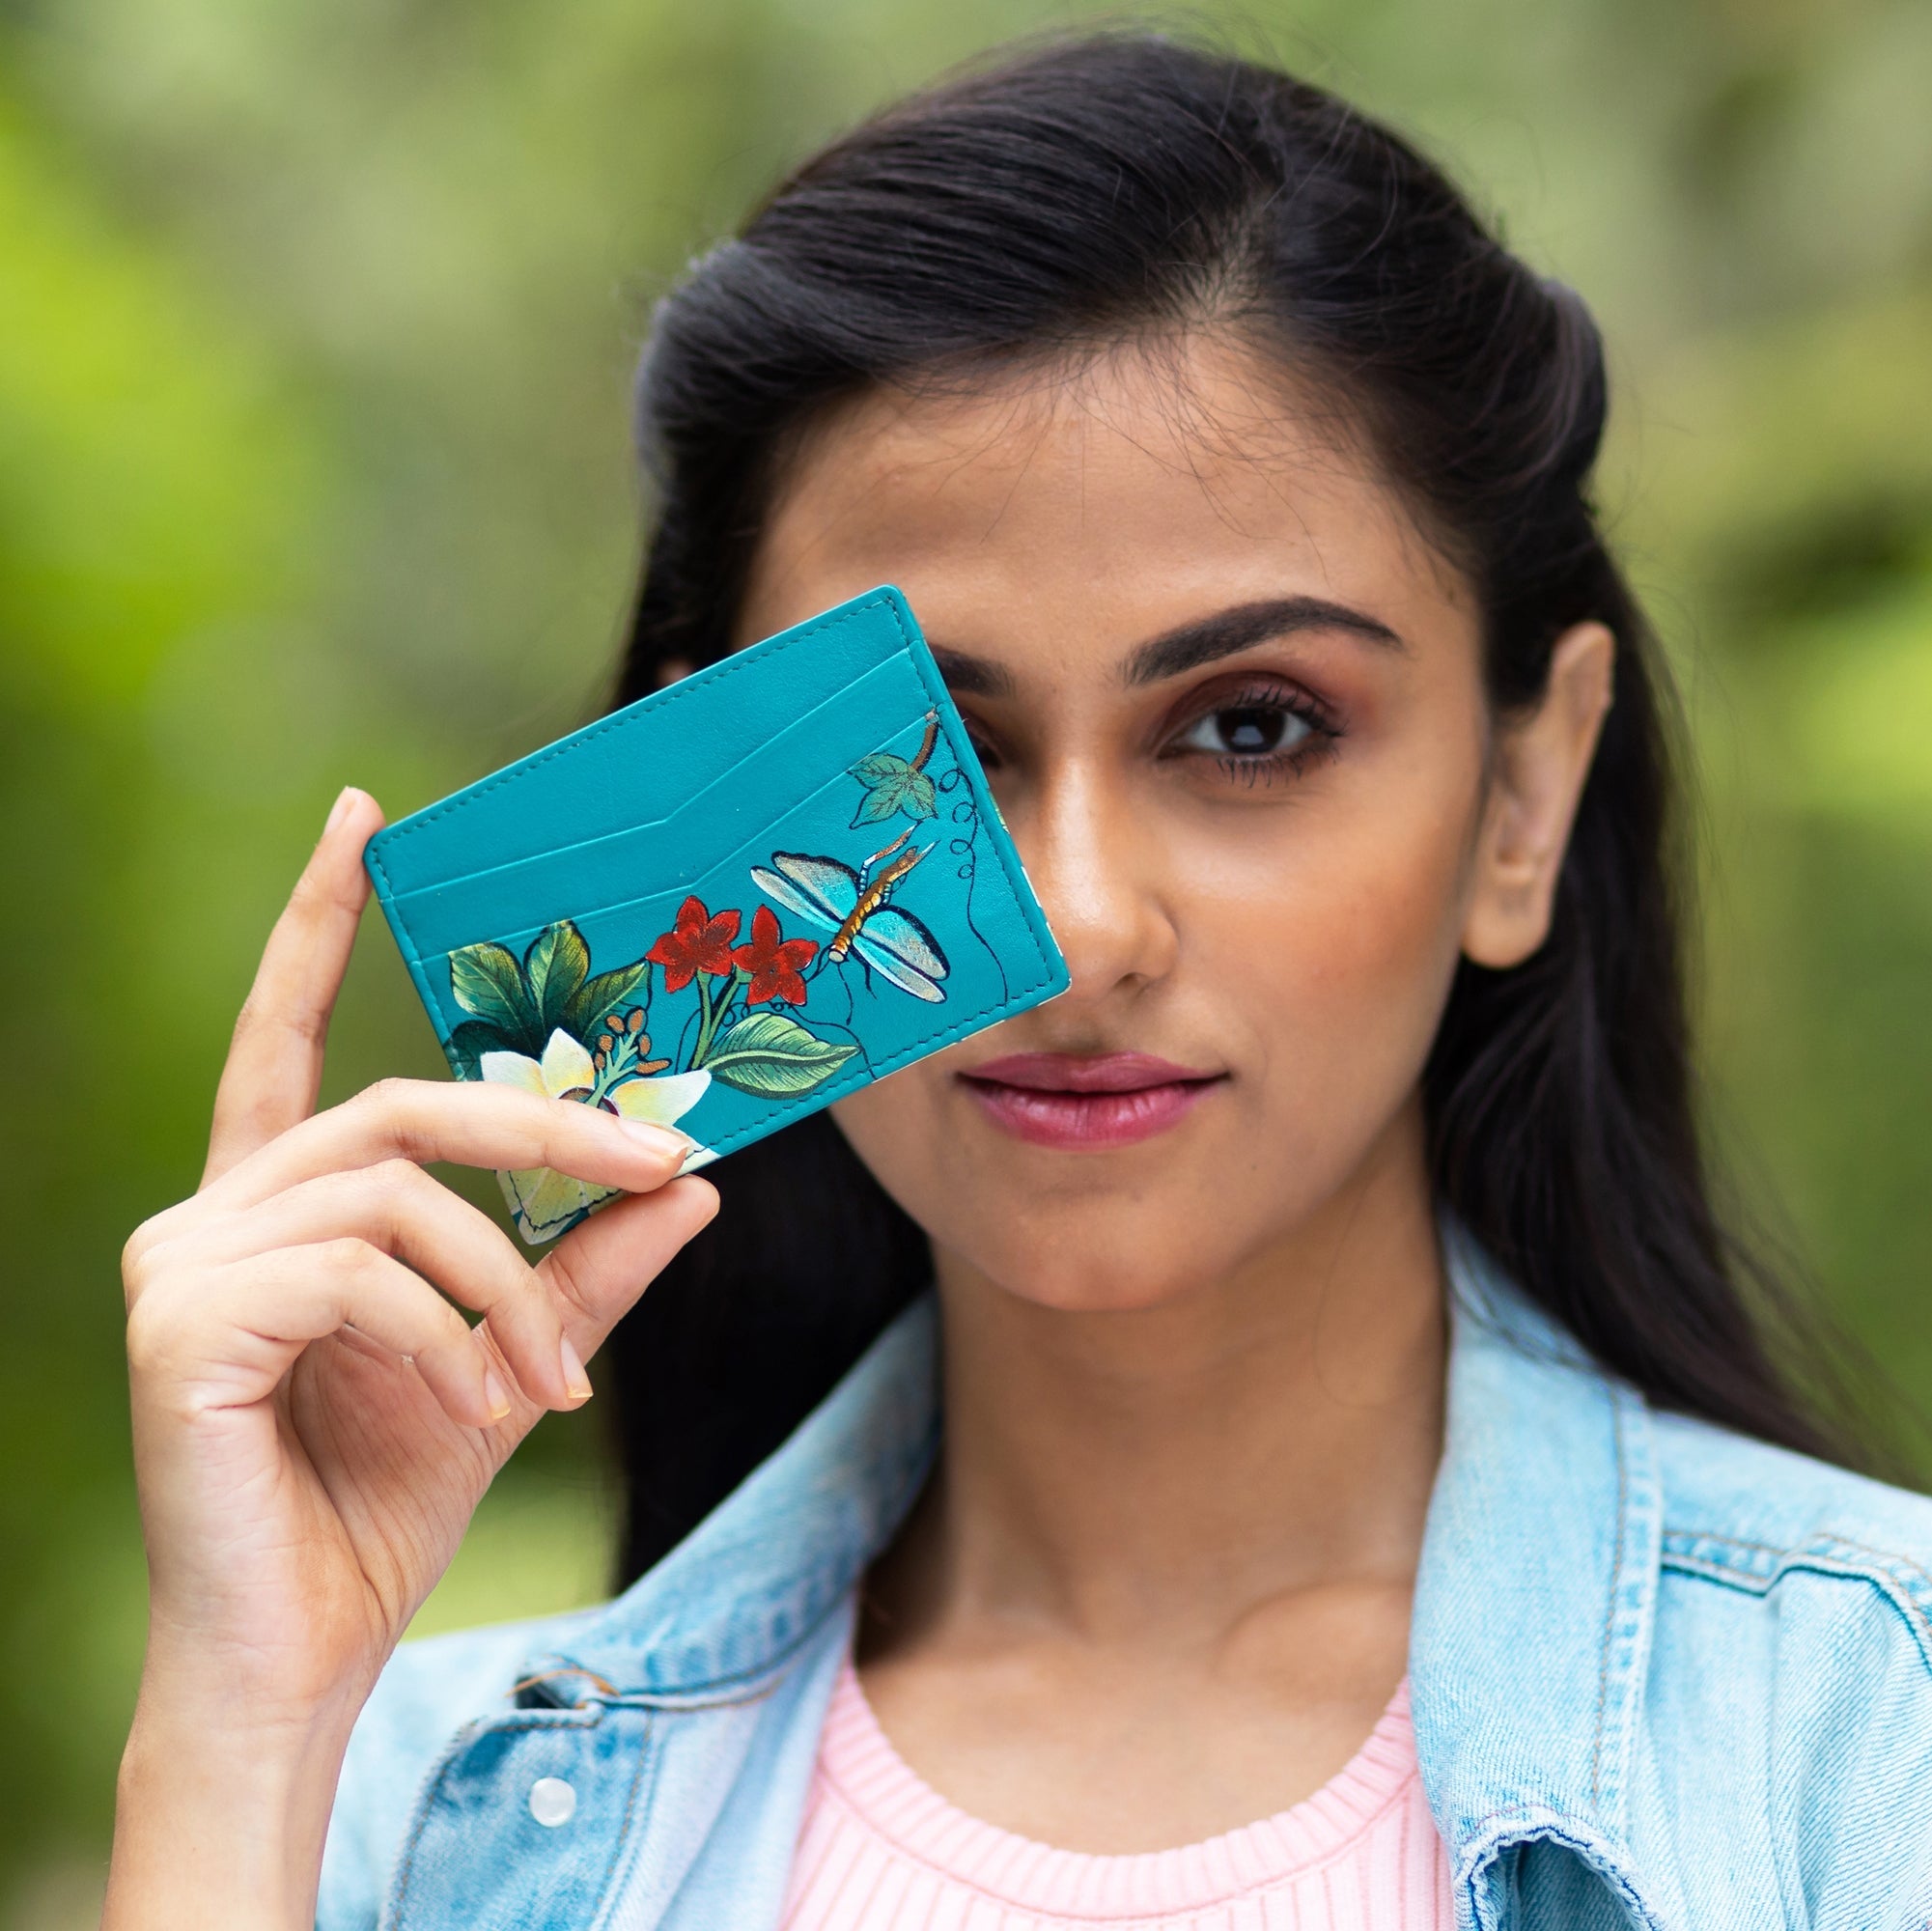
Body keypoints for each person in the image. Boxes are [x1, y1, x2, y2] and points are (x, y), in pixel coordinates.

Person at [103, 34, 1932, 1931]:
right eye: (935, 758)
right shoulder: (403, 1817)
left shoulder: (1872, 1744)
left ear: (1519, 798)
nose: (1074, 922)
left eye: (1248, 726)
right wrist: (235, 1734)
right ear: (717, 830)